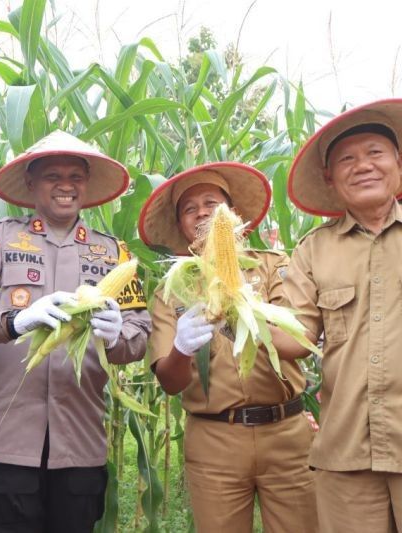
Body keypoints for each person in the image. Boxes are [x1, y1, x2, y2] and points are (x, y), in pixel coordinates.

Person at [0, 130, 151, 533]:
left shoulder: (116, 254)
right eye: (52, 176)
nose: (66, 185)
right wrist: (14, 321)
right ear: (30, 183)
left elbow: (139, 333)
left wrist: (118, 335)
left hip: (78, 445)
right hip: (5, 443)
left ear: (87, 184)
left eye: (76, 176)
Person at [138, 162, 318, 533]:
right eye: (189, 209)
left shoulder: (273, 266)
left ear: (234, 216)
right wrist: (182, 348)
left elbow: (298, 342)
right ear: (181, 225)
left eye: (212, 203)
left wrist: (241, 314)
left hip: (286, 433)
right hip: (214, 438)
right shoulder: (171, 290)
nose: (202, 213)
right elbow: (170, 383)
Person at [277, 99, 402, 532]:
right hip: (347, 453)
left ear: (399, 165)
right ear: (331, 181)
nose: (362, 165)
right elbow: (294, 341)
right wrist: (239, 313)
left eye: (375, 152)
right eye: (347, 159)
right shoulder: (312, 251)